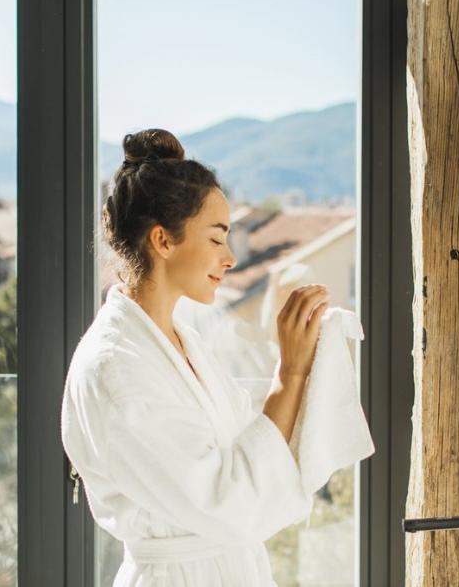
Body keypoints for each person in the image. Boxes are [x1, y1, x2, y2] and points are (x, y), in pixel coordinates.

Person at [61, 128, 329, 585]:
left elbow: (247, 442)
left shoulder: (178, 341)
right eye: (216, 238)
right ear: (163, 241)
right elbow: (230, 502)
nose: (229, 259)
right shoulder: (116, 369)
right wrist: (292, 370)